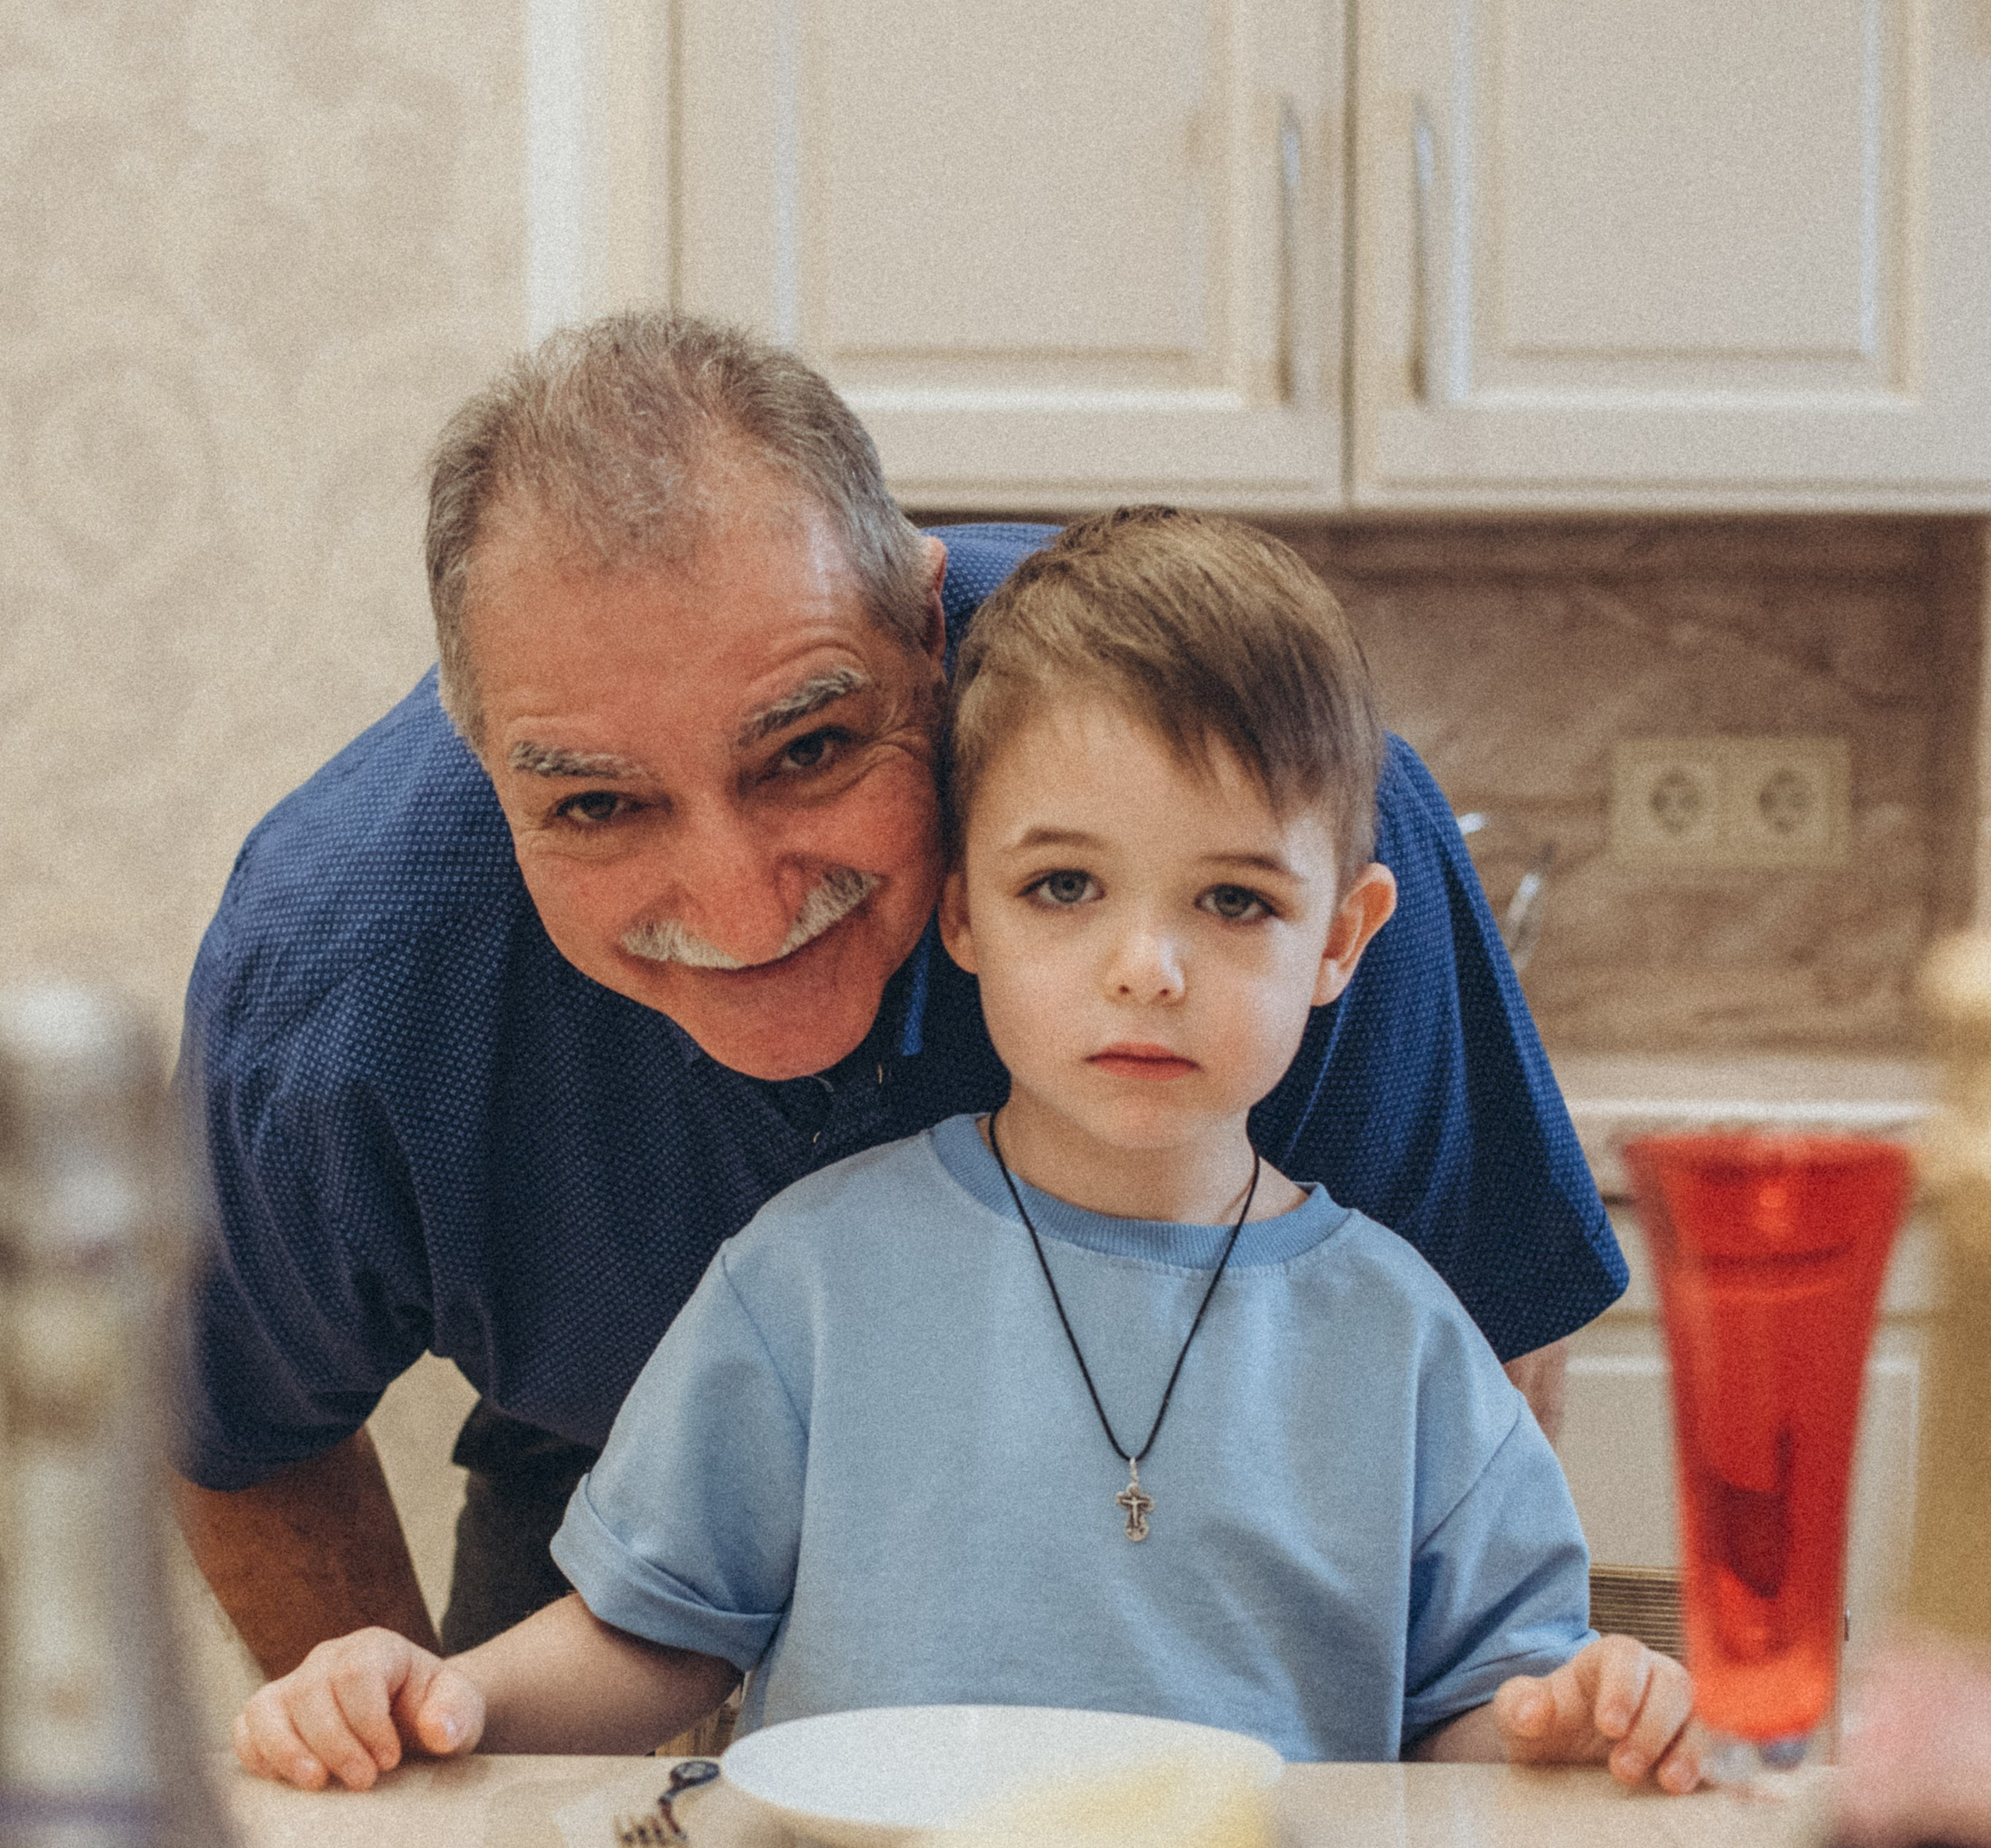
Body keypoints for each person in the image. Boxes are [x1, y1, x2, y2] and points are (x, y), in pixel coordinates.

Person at [173, 313, 1625, 1679]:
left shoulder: (1254, 810)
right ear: (479, 753)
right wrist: (415, 1767)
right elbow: (234, 1430)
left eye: (806, 749)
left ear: (930, 633)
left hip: (1195, 1530)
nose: (740, 913)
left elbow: (1480, 1331)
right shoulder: (338, 979)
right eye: (601, 807)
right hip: (600, 1509)